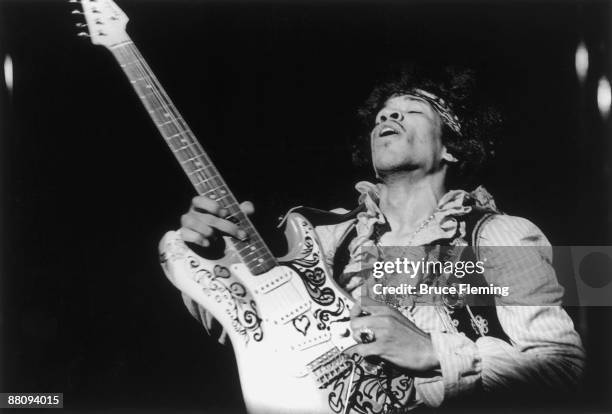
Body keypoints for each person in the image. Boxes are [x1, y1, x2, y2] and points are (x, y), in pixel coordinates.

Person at [176, 65, 585, 411]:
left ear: (452, 149)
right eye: (382, 115)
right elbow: (255, 327)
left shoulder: (498, 234)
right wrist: (215, 254)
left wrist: (431, 351)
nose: (389, 118)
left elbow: (560, 368)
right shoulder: (325, 236)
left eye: (412, 110)